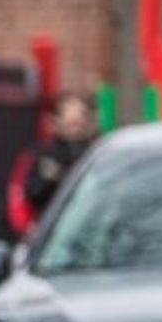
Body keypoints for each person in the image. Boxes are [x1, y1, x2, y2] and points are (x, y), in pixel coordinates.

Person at [14, 92, 98, 230]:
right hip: (53, 232)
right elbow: (27, 197)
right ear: (56, 121)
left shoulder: (95, 153)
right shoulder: (41, 155)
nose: (76, 124)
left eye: (80, 119)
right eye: (70, 121)